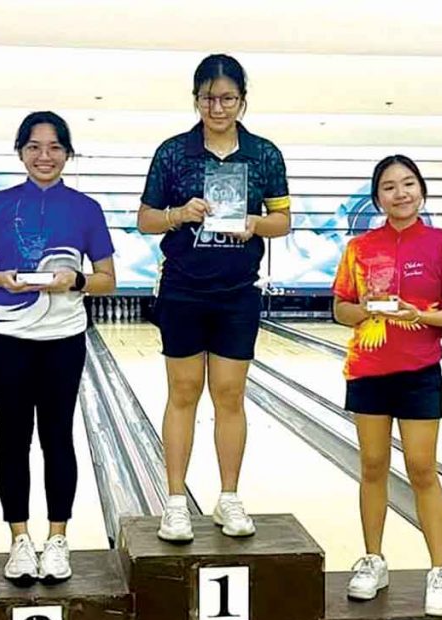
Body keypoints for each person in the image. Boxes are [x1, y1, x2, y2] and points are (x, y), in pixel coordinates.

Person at [137, 53, 291, 543]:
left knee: (229, 395)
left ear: (243, 101)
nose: (217, 106)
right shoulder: (173, 152)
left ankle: (229, 498)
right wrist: (179, 213)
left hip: (237, 293)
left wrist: (253, 224)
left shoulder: (264, 155)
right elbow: (145, 218)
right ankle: (176, 502)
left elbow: (282, 221)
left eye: (227, 98)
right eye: (208, 97)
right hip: (183, 288)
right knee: (182, 393)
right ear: (196, 99)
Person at [0, 111, 116, 584]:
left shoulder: (86, 208)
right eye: (33, 147)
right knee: (13, 438)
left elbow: (108, 280)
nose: (44, 156)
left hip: (62, 339)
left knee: (57, 437)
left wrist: (78, 280)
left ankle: (58, 538)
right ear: (21, 152)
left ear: (68, 153)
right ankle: (20, 540)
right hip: (6, 336)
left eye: (54, 147)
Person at [332, 155, 442, 616]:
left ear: (421, 191)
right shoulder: (359, 247)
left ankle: (439, 569)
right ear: (378, 197)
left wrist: (422, 316)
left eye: (408, 184)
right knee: (372, 466)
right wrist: (368, 311)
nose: (400, 193)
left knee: (421, 468)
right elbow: (340, 309)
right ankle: (373, 560)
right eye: (390, 187)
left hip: (419, 371)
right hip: (368, 369)